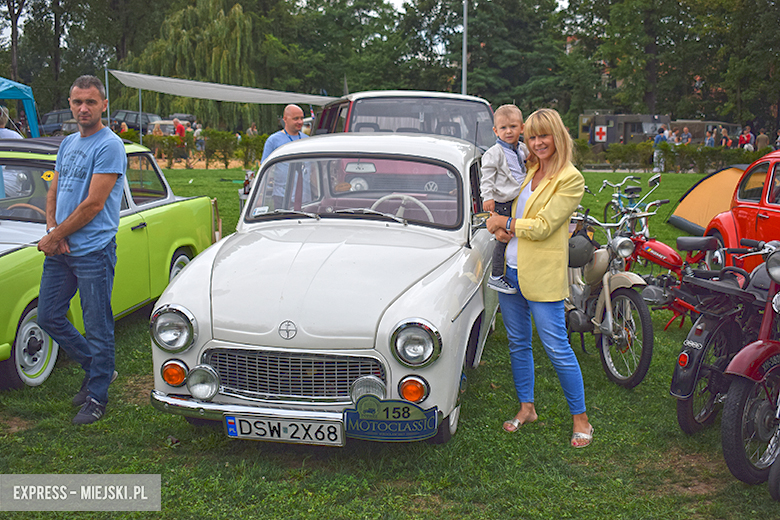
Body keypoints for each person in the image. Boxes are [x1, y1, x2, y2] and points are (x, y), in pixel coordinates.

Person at [486, 108, 592, 448]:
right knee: (518, 343)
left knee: (557, 347)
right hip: (511, 271)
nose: (537, 142)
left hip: (543, 275)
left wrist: (506, 224)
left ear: (557, 135)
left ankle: (581, 419)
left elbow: (545, 226)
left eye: (543, 135)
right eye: (531, 137)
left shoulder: (570, 178)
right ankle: (527, 407)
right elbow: (508, 204)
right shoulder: (529, 168)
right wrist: (498, 225)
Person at [36, 75, 127, 425]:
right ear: (70, 105)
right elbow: (54, 190)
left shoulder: (110, 145)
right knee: (48, 316)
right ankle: (97, 368)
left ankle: (97, 396)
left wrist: (56, 235)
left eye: (90, 101)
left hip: (93, 250)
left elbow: (93, 204)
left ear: (104, 104)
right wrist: (52, 231)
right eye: (77, 102)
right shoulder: (68, 143)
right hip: (62, 248)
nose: (83, 108)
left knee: (97, 324)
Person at [480, 104, 528, 294]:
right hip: (503, 200)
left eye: (513, 127)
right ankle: (496, 276)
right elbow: (487, 177)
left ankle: (516, 269)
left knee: (516, 233)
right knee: (503, 238)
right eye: (503, 128)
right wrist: (488, 196)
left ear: (521, 128)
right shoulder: (494, 153)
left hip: (517, 198)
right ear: (495, 131)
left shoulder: (522, 149)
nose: (508, 131)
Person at [262, 104, 308, 209]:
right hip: (281, 196)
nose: (300, 122)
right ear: (285, 119)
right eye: (296, 118)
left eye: (301, 118)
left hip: (305, 196)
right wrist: (261, 197)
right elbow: (265, 170)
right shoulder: (273, 140)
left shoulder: (307, 140)